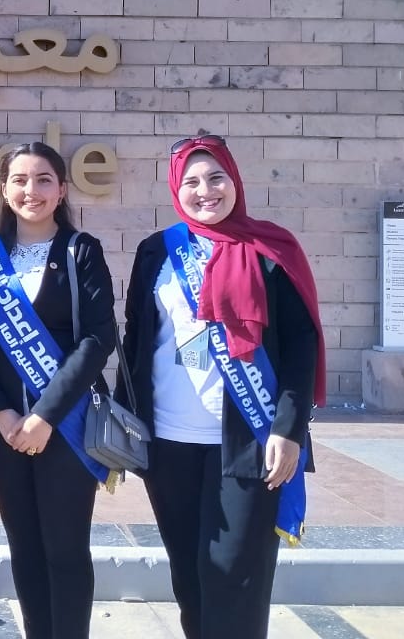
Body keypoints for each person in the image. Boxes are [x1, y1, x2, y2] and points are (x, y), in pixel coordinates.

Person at [117, 134, 325, 639]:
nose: (205, 191)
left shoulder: (271, 250)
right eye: (191, 181)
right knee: (190, 579)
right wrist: (124, 425)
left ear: (235, 181)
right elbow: (138, 338)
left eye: (216, 178)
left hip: (252, 441)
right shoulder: (155, 251)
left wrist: (289, 429)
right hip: (168, 444)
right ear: (176, 189)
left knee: (235, 578)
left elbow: (302, 345)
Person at [0, 142, 117, 639]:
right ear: (4, 190)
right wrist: (0, 413)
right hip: (3, 429)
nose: (32, 190)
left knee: (65, 550)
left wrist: (44, 416)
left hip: (66, 425)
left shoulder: (81, 251)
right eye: (20, 180)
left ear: (62, 189)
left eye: (44, 179)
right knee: (24, 546)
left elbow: (97, 339)